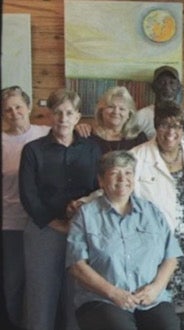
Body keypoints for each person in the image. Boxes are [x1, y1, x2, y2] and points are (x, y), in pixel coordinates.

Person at [65, 150, 183, 330]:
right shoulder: (85, 215)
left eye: (128, 173)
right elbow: (77, 266)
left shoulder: (152, 212)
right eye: (114, 173)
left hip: (150, 299)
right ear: (101, 180)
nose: (122, 179)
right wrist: (113, 293)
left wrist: (156, 288)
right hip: (102, 299)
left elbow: (171, 257)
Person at [130, 100, 184, 329]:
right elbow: (117, 192)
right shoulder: (136, 157)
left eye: (177, 126)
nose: (171, 132)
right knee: (164, 314)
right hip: (158, 253)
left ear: (183, 129)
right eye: (164, 125)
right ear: (155, 126)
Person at [19, 88, 102, 330]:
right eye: (57, 112)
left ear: (78, 117)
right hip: (43, 229)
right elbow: (28, 195)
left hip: (82, 230)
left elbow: (98, 188)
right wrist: (55, 223)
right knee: (41, 294)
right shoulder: (33, 150)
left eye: (68, 113)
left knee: (78, 295)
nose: (63, 118)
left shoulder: (91, 149)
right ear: (49, 115)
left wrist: (82, 205)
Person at [2, 86, 50, 329]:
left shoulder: (47, 133)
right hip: (11, 223)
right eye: (8, 110)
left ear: (29, 107)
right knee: (12, 283)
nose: (14, 113)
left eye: (18, 106)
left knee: (40, 283)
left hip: (45, 223)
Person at [137, 65, 184, 139]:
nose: (167, 88)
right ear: (153, 87)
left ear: (179, 87)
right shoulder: (141, 116)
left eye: (172, 83)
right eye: (162, 83)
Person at [89, 86, 147, 154]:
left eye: (122, 109)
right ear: (101, 111)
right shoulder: (89, 135)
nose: (116, 112)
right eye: (111, 107)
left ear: (129, 114)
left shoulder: (139, 138)